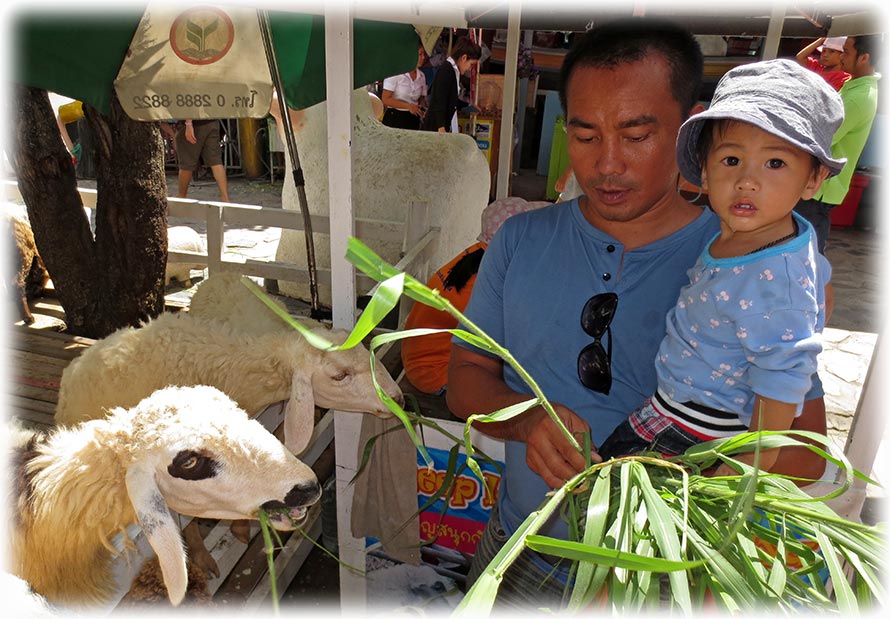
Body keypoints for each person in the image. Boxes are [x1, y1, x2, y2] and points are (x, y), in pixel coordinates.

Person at [446, 17, 830, 609]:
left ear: (689, 133)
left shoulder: (751, 265)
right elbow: (465, 382)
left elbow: (805, 451)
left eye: (636, 134)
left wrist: (703, 483)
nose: (606, 164)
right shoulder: (518, 242)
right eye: (586, 134)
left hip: (659, 576)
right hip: (522, 549)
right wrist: (525, 422)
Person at [595, 59, 843, 477]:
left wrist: (744, 471)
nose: (748, 180)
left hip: (695, 436)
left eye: (775, 163)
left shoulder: (776, 276)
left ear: (813, 179)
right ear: (705, 172)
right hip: (672, 410)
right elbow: (822, 283)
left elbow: (783, 380)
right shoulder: (774, 239)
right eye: (731, 160)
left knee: (605, 513)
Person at [401, 197, 548, 395]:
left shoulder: (475, 255)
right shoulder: (488, 279)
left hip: (422, 362)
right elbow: (514, 338)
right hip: (437, 373)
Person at [795, 33, 881, 254]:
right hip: (817, 185)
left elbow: (822, 137)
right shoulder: (854, 86)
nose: (841, 56)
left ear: (864, 58)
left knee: (808, 253)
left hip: (820, 188)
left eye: (847, 52)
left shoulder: (859, 97)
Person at [421, 37, 482, 133]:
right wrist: (440, 126)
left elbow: (452, 100)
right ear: (464, 58)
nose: (470, 69)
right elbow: (439, 100)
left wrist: (468, 107)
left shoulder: (454, 71)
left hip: (444, 125)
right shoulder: (446, 70)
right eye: (471, 64)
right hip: (435, 128)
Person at [174, 119, 229, 202]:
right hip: (211, 120)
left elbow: (190, 106)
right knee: (216, 161)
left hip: (194, 123)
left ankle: (181, 196)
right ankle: (225, 197)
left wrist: (188, 123)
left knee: (186, 163)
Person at [380, 44, 428, 130]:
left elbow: (421, 99)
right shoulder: (395, 73)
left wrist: (423, 108)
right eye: (420, 54)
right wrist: (408, 106)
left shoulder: (422, 76)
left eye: (423, 54)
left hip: (413, 119)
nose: (423, 57)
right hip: (395, 117)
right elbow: (385, 99)